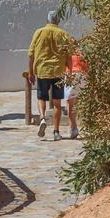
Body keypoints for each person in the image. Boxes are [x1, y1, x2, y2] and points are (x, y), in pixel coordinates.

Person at [28, 10, 75, 141]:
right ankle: (56, 131)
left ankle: (43, 118)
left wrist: (31, 72)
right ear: (58, 21)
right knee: (57, 103)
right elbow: (69, 56)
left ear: (47, 20)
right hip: (58, 71)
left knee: (41, 98)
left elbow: (31, 54)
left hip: (43, 70)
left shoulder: (39, 32)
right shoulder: (64, 34)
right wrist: (69, 72)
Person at [63, 52, 88, 140]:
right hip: (83, 75)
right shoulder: (82, 53)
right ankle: (87, 126)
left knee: (70, 103)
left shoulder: (66, 54)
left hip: (71, 75)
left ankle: (73, 128)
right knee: (85, 101)